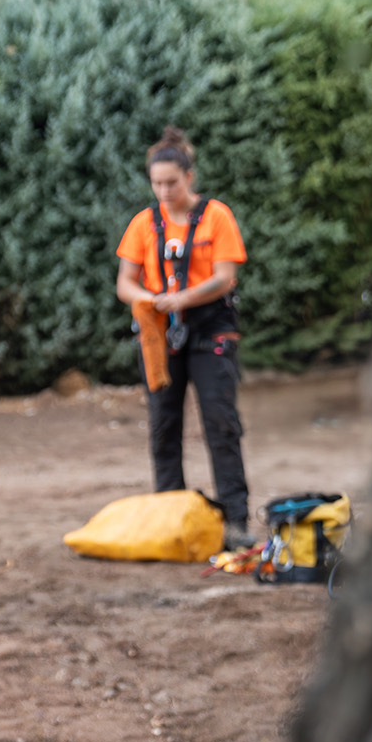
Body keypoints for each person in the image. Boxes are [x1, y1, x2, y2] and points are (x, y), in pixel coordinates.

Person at [115, 125, 251, 547]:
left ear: (189, 177)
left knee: (220, 424)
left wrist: (184, 298)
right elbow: (125, 283)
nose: (164, 191)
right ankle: (170, 520)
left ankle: (236, 522)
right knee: (163, 426)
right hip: (161, 335)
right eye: (156, 183)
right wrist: (152, 300)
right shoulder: (143, 223)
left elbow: (225, 277)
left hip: (211, 331)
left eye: (171, 182)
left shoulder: (217, 216)